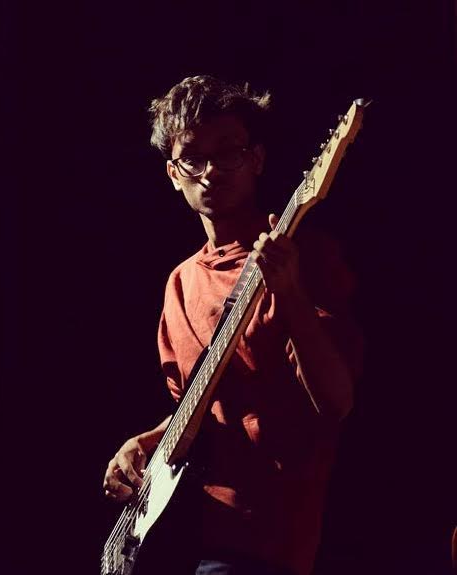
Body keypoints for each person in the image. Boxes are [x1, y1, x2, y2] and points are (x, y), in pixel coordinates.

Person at [102, 75, 364, 575]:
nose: (210, 172)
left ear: (257, 159)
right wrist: (148, 441)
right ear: (172, 174)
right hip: (190, 533)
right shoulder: (180, 283)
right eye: (192, 158)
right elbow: (205, 411)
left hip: (268, 540)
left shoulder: (303, 256)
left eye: (227, 152)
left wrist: (289, 292)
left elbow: (336, 401)